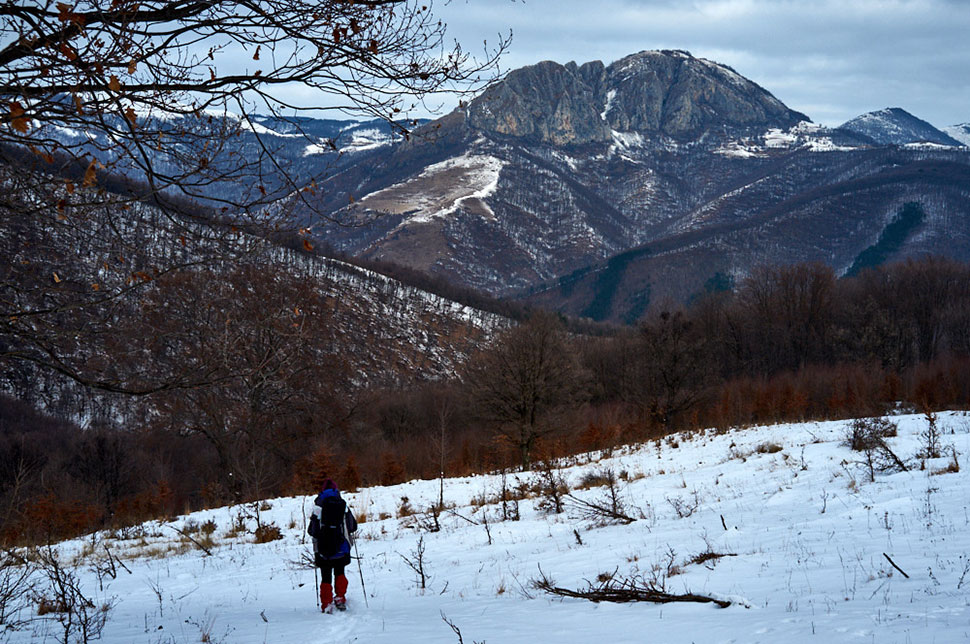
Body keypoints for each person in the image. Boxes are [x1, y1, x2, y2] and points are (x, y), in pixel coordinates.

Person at [307, 478, 358, 612]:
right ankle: (340, 598)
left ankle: (326, 604)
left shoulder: (318, 507)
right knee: (340, 572)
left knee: (326, 576)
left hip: (322, 549)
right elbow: (352, 526)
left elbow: (312, 530)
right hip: (341, 548)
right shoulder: (343, 505)